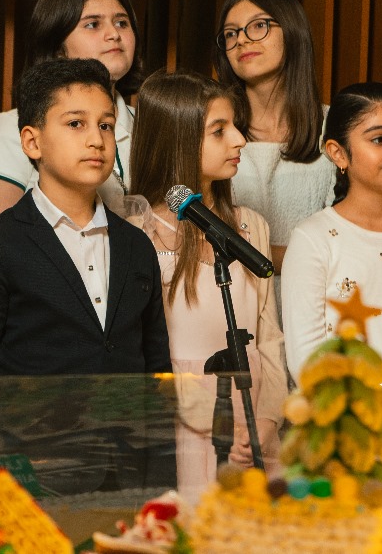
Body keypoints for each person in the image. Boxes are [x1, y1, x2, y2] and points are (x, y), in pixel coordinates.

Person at [127, 70, 283, 502]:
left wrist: (267, 419)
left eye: (235, 126)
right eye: (219, 130)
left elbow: (269, 336)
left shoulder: (250, 226)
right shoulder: (137, 235)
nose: (239, 140)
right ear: (177, 139)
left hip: (252, 416)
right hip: (185, 421)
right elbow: (144, 355)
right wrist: (214, 421)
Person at [0, 58, 170, 376]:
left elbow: (156, 363)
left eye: (105, 125)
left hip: (126, 411)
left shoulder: (136, 245)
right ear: (32, 142)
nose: (96, 140)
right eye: (76, 123)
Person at [0, 0, 142, 215]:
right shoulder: (13, 127)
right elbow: (0, 231)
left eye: (121, 23)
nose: (114, 34)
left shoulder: (150, 124)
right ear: (57, 48)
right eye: (93, 24)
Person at [213, 0, 335, 273]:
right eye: (230, 33)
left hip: (320, 292)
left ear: (292, 32)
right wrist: (303, 257)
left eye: (259, 26)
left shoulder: (333, 124)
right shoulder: (209, 129)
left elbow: (347, 239)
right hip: (232, 293)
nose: (242, 39)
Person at [283, 83, 382, 376]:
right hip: (345, 403)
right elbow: (306, 364)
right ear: (338, 153)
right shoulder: (314, 239)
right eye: (379, 140)